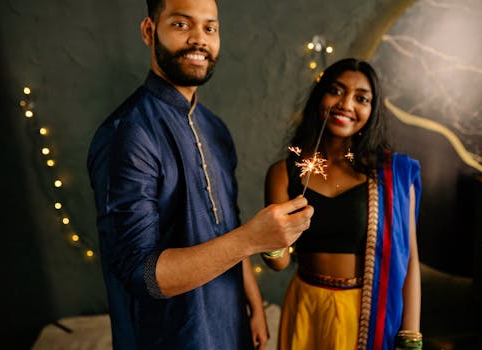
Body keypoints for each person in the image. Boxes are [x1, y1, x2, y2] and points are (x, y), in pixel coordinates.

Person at [86, 0, 314, 349]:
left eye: (210, 28)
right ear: (150, 31)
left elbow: (227, 225)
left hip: (229, 325)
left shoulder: (215, 129)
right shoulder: (128, 134)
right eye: (181, 25)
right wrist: (254, 239)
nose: (199, 39)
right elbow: (142, 274)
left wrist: (252, 305)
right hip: (166, 338)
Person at [262, 58, 422, 350]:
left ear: (372, 111)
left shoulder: (392, 176)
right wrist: (269, 238)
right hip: (305, 306)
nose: (346, 104)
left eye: (361, 98)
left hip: (364, 313)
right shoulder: (284, 172)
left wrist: (411, 336)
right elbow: (279, 262)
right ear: (319, 97)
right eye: (336, 91)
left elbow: (409, 259)